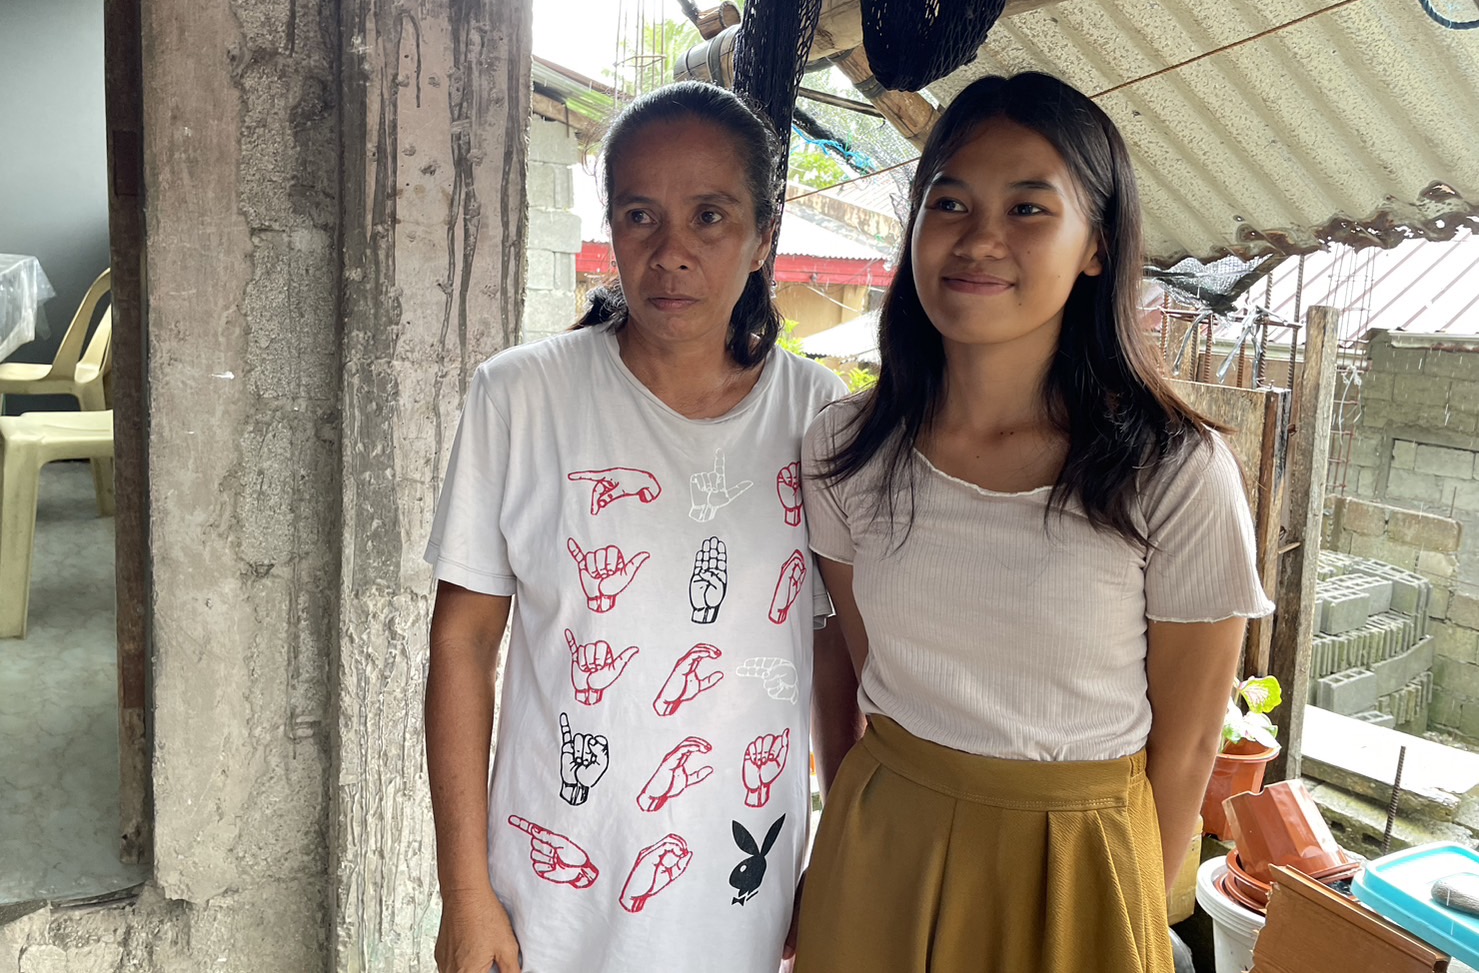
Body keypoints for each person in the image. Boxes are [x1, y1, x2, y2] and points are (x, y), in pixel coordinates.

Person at [793, 72, 1272, 973]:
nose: (978, 238)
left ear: (1096, 243)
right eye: (949, 201)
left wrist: (1121, 919)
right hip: (880, 851)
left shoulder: (1173, 471)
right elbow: (864, 668)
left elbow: (1188, 746)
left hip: (1074, 872)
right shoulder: (846, 448)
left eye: (1026, 208)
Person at [423, 80, 852, 973]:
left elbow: (833, 654)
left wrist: (829, 869)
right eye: (639, 215)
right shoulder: (521, 397)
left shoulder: (821, 419)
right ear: (611, 226)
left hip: (741, 883)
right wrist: (465, 893)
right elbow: (462, 642)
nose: (670, 253)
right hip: (548, 898)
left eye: (709, 216)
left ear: (763, 236)